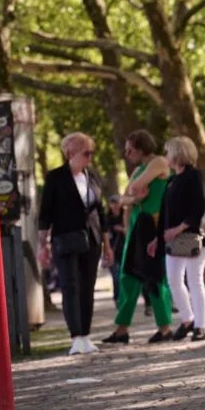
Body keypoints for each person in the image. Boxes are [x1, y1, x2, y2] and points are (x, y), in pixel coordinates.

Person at [37, 132, 107, 355]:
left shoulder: (92, 176)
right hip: (65, 239)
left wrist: (108, 244)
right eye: (85, 153)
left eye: (91, 153)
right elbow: (45, 213)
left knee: (87, 287)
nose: (90, 157)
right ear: (70, 153)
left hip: (92, 239)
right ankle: (75, 336)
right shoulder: (56, 177)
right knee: (70, 286)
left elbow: (100, 211)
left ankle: (85, 335)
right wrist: (43, 245)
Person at [102, 130, 174, 345]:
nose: (126, 153)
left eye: (130, 149)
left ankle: (165, 327)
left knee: (154, 277)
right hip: (135, 228)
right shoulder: (138, 169)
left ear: (141, 148)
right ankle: (121, 329)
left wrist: (132, 197)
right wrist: (132, 199)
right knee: (127, 277)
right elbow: (122, 200)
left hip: (151, 228)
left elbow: (132, 189)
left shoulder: (159, 162)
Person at [154, 136, 205, 341]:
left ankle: (200, 326)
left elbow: (200, 206)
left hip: (194, 235)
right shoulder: (171, 181)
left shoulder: (195, 176)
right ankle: (187, 318)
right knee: (173, 280)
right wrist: (157, 239)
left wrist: (179, 228)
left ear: (178, 154)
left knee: (194, 280)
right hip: (172, 239)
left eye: (168, 152)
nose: (165, 156)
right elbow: (164, 213)